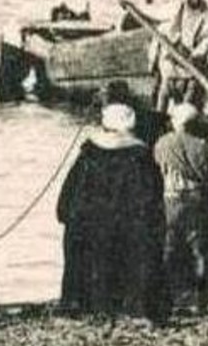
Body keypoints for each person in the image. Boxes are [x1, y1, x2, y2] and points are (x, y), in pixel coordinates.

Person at [55, 102, 167, 323]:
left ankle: (79, 304)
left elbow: (71, 189)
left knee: (84, 261)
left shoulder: (89, 154)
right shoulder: (140, 157)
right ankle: (133, 306)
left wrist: (64, 212)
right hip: (127, 224)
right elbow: (152, 194)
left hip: (88, 222)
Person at [152, 102, 208, 316]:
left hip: (171, 198)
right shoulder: (203, 145)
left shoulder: (162, 143)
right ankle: (201, 301)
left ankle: (167, 299)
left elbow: (159, 168)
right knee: (199, 251)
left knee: (168, 249)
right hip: (195, 198)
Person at [153, 0, 208, 111]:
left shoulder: (206, 14)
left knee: (186, 102)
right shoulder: (177, 9)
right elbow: (158, 19)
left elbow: (207, 40)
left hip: (191, 67)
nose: (194, 0)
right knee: (164, 95)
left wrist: (194, 54)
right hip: (172, 63)